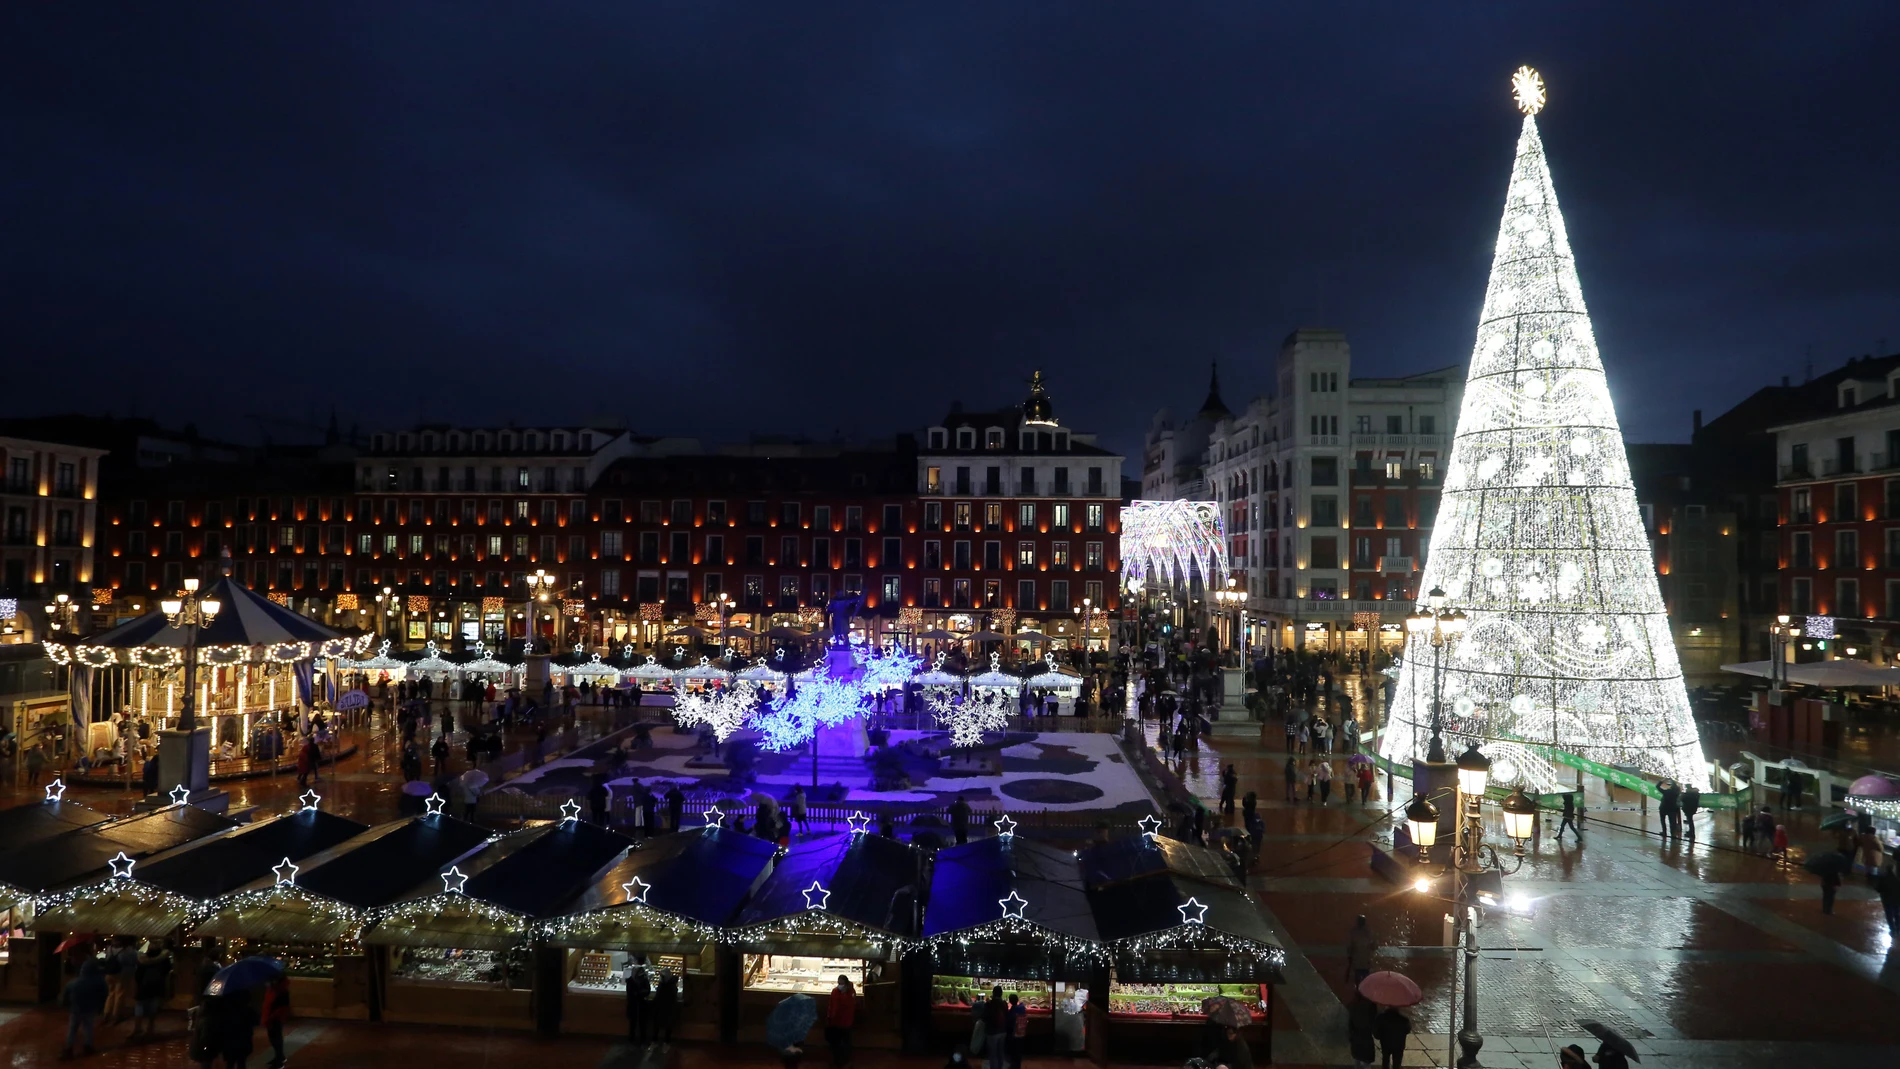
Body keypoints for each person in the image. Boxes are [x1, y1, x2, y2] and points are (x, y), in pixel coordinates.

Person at [60, 958, 108, 1059]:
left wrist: (65, 1005)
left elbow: (65, 995)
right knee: (88, 1028)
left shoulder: (74, 982)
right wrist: (101, 1006)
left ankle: (68, 1049)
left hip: (75, 1009)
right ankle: (88, 1047)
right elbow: (104, 994)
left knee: (72, 1029)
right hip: (90, 1008)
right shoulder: (99, 981)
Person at [131, 939, 173, 1041]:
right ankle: (150, 1028)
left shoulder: (143, 957)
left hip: (144, 984)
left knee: (139, 1005)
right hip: (158, 984)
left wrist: (138, 982)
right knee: (153, 1005)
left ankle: (137, 1027)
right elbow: (167, 970)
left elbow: (138, 972)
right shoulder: (164, 958)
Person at [826, 975, 858, 1069]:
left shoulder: (845, 992)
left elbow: (837, 1006)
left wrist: (830, 1017)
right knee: (842, 1042)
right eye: (839, 983)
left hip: (841, 1021)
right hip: (843, 1021)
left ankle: (842, 1061)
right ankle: (842, 1061)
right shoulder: (846, 991)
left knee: (841, 1042)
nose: (839, 985)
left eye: (841, 983)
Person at [262, 973, 292, 1068]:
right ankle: (279, 1057)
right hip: (272, 1018)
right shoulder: (274, 989)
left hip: (275, 1019)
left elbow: (281, 1008)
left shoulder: (281, 991)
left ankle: (279, 1062)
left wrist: (271, 1017)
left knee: (276, 1038)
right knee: (274, 1038)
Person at [1372, 1005, 1411, 1069]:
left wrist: (1379, 1037)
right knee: (1397, 1062)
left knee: (1385, 1060)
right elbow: (1408, 1030)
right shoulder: (1404, 1019)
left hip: (1385, 1044)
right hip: (1399, 1045)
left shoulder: (1381, 1018)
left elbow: (1376, 1032)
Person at [979, 984, 1007, 1069]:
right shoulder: (1004, 1003)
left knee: (993, 1053)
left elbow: (984, 1017)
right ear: (1001, 993)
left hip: (992, 1032)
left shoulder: (989, 1004)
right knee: (1000, 1052)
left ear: (993, 993)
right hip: (1003, 1031)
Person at [1347, 994, 1377, 1069]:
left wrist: (1351, 1036)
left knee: (1357, 1060)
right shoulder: (1371, 1006)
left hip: (1356, 1038)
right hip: (1366, 1038)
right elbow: (1373, 1022)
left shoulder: (1353, 1005)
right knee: (1366, 1063)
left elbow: (1351, 1024)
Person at [1345, 915, 1377, 984]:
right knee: (1366, 978)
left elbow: (1349, 947)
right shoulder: (1369, 933)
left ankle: (1358, 987)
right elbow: (1374, 946)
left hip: (1356, 960)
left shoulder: (1353, 932)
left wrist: (1350, 957)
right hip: (1366, 960)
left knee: (1357, 978)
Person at [625, 958, 650, 1043]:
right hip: (634, 1005)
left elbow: (647, 990)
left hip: (640, 1005)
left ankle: (641, 1039)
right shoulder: (631, 981)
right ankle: (633, 1039)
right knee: (633, 1023)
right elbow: (630, 993)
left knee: (641, 1023)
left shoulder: (643, 979)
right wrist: (639, 994)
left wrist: (638, 993)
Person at [652, 971, 678, 1044]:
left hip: (665, 1008)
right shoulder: (671, 985)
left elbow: (658, 995)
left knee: (662, 1026)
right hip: (665, 1008)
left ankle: (661, 1042)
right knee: (663, 1026)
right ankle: (663, 1043)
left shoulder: (667, 985)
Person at [1004, 992, 1028, 1069]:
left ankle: (1013, 1066)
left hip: (1014, 1035)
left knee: (1013, 1052)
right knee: (1019, 1052)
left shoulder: (1012, 1011)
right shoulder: (1022, 1008)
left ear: (1010, 1002)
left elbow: (1008, 1023)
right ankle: (1017, 1066)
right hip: (1021, 1033)